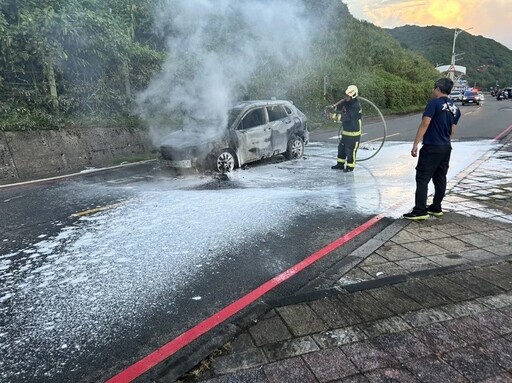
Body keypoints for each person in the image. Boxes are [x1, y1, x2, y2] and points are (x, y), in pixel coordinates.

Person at [403, 77, 461, 220]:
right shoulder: (455, 108)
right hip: (446, 147)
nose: (433, 91)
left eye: (434, 88)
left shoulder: (434, 104)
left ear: (438, 89)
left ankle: (420, 210)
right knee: (440, 178)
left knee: (422, 178)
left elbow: (425, 124)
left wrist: (415, 144)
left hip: (431, 147)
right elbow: (452, 131)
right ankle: (436, 207)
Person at [331, 85, 362, 172]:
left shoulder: (356, 106)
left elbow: (346, 117)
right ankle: (340, 164)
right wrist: (333, 107)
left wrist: (332, 116)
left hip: (353, 134)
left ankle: (350, 167)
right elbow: (339, 106)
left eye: (348, 96)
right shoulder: (346, 102)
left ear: (353, 96)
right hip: (345, 132)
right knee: (341, 149)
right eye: (346, 95)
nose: (346, 97)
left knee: (350, 151)